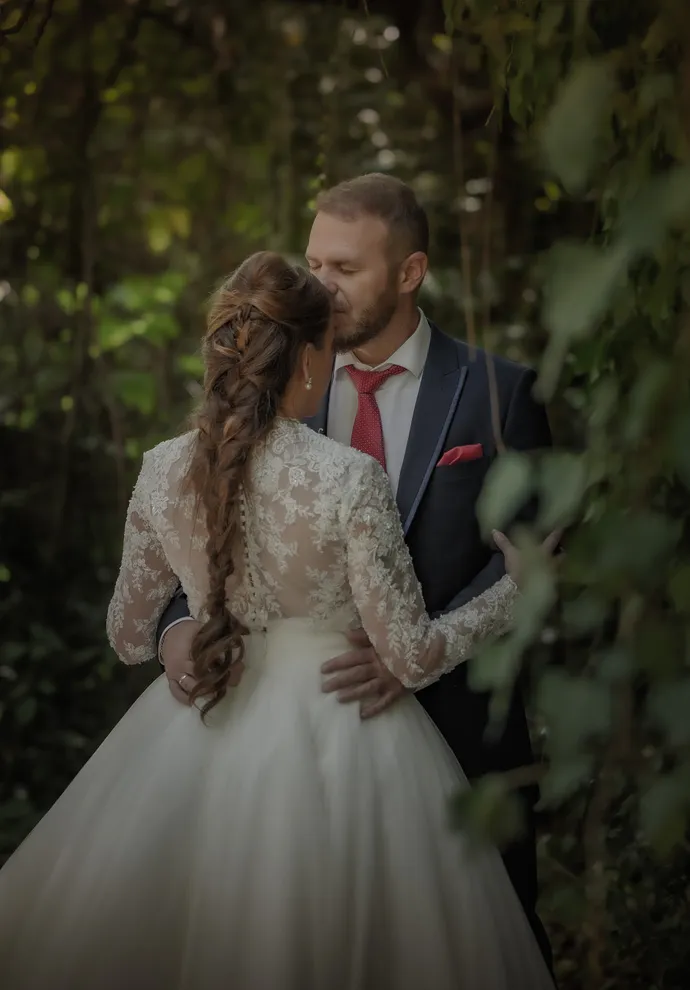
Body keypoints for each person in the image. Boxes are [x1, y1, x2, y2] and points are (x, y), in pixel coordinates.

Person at [0, 251, 555, 990]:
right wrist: (515, 590)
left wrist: (177, 634)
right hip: (347, 734)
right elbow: (414, 654)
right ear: (305, 359)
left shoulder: (162, 468)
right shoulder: (349, 478)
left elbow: (129, 635)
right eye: (328, 349)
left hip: (200, 728)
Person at [159, 173, 554, 965]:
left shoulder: (500, 393)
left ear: (410, 273)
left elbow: (532, 560)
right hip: (282, 760)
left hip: (460, 744)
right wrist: (176, 625)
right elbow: (212, 513)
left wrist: (417, 654)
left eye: (346, 268)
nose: (320, 285)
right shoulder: (274, 380)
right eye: (314, 263)